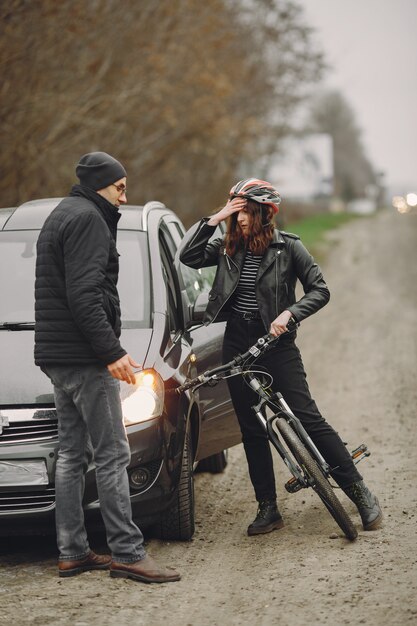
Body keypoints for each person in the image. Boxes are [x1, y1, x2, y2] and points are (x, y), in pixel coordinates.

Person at [179, 178, 382, 536]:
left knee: (307, 415)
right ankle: (268, 508)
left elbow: (320, 290)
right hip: (237, 342)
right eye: (236, 211)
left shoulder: (288, 248)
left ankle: (359, 491)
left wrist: (289, 314)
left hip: (277, 342)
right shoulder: (226, 245)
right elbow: (188, 256)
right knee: (252, 428)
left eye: (246, 211)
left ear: (264, 213)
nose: (240, 219)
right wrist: (218, 215)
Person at [34, 151, 180, 583]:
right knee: (114, 453)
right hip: (83, 358)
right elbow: (83, 296)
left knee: (72, 456)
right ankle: (128, 553)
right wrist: (111, 352)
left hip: (59, 357)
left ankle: (73, 552)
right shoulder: (89, 220)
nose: (124, 194)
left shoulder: (64, 213)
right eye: (119, 186)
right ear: (100, 184)